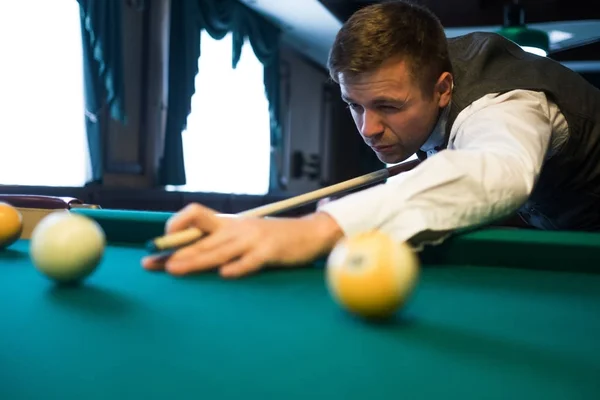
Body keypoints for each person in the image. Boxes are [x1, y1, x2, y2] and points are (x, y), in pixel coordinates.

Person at [142, 0, 600, 278]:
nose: (368, 128)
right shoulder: (423, 83)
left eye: (388, 107)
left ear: (442, 89)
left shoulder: (504, 103)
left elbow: (497, 170)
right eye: (354, 105)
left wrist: (321, 228)